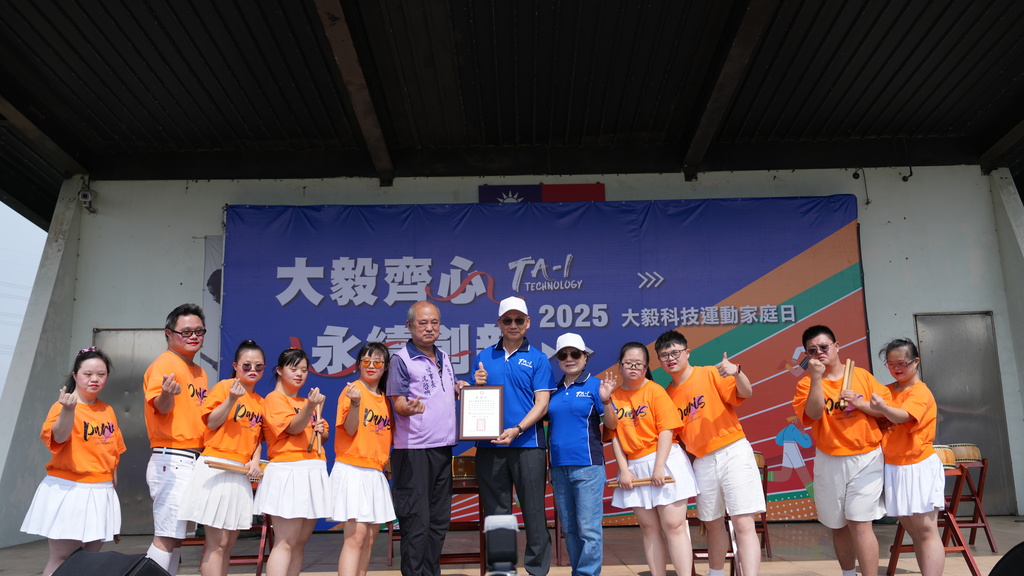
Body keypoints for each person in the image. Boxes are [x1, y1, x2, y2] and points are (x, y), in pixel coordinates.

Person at [655, 330, 764, 576]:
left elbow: (745, 393)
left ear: (687, 352)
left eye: (675, 353)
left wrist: (737, 372)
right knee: (713, 523)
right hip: (701, 461)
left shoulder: (709, 373)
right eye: (664, 355)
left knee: (743, 522)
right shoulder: (667, 395)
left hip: (733, 451)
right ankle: (716, 573)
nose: (671, 359)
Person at [791, 325, 891, 576]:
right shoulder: (805, 384)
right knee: (838, 526)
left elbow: (885, 411)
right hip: (830, 459)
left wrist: (859, 403)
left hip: (866, 457)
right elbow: (813, 414)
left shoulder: (862, 376)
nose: (819, 353)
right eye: (812, 350)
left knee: (860, 523)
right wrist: (816, 378)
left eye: (824, 347)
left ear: (837, 346)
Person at [21, 347, 125, 576]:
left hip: (102, 491)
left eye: (101, 374)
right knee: (62, 559)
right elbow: (58, 437)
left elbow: (113, 453)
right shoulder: (61, 406)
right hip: (71, 490)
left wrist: (111, 494)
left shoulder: (107, 410)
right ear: (75, 375)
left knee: (89, 561)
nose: (94, 379)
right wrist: (68, 410)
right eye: (88, 374)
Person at [473, 296, 555, 576]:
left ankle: (537, 569)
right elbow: (476, 400)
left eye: (519, 320)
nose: (513, 325)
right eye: (507, 320)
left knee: (533, 510)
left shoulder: (538, 358)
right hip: (490, 446)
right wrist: (476, 384)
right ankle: (502, 568)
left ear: (528, 322)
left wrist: (518, 429)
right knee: (496, 513)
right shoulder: (484, 357)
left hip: (528, 445)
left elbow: (542, 404)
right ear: (499, 323)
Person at [386, 301, 468, 576]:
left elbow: (440, 393)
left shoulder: (443, 356)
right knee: (416, 522)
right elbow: (398, 402)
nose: (429, 328)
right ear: (409, 326)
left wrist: (458, 388)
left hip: (443, 449)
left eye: (434, 322)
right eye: (423, 323)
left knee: (438, 520)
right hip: (414, 452)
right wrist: (407, 407)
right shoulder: (401, 360)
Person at [608, 342, 699, 576]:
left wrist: (659, 467)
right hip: (634, 467)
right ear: (620, 365)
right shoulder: (613, 398)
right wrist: (624, 470)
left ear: (647, 366)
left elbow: (667, 430)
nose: (633, 367)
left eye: (639, 364)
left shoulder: (655, 391)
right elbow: (614, 437)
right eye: (628, 363)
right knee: (649, 529)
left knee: (674, 525)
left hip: (665, 461)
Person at [178, 340, 267, 576]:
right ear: (235, 366)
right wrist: (232, 399)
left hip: (240, 472)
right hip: (216, 467)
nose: (253, 370)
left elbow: (258, 438)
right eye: (247, 365)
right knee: (217, 543)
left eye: (258, 366)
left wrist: (255, 460)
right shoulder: (224, 387)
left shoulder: (261, 401)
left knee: (228, 544)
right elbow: (211, 422)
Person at [868, 338, 945, 576]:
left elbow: (901, 416)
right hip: (894, 466)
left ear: (915, 362)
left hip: (918, 464)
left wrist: (881, 406)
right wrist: (856, 402)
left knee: (926, 531)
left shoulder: (920, 392)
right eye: (891, 364)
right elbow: (874, 412)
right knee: (914, 532)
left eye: (901, 363)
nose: (896, 368)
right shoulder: (887, 390)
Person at [143, 303, 210, 574]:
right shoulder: (165, 363)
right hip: (173, 458)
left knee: (176, 537)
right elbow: (160, 406)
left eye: (199, 331)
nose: (193, 336)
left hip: (192, 459)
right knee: (167, 536)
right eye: (186, 332)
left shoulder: (199, 371)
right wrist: (167, 393)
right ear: (169, 333)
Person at [546, 333, 618, 576]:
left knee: (588, 529)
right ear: (558, 359)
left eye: (575, 353)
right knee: (570, 529)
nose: (569, 359)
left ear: (585, 357)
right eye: (563, 355)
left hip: (588, 468)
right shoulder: (553, 390)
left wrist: (606, 401)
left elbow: (613, 424)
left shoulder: (596, 386)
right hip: (559, 469)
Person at [253, 348, 330, 576]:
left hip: (313, 469)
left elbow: (323, 436)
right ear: (279, 370)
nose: (299, 374)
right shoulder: (274, 399)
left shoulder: (306, 401)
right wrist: (310, 408)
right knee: (285, 541)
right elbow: (294, 428)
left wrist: (320, 429)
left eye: (304, 370)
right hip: (289, 471)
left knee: (299, 543)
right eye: (294, 368)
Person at [330, 342, 395, 576]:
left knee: (369, 540)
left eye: (377, 362)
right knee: (356, 537)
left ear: (385, 367)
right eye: (366, 361)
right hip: (353, 468)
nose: (371, 366)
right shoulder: (352, 391)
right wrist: (356, 403)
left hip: (375, 473)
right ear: (358, 364)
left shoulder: (385, 400)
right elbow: (349, 428)